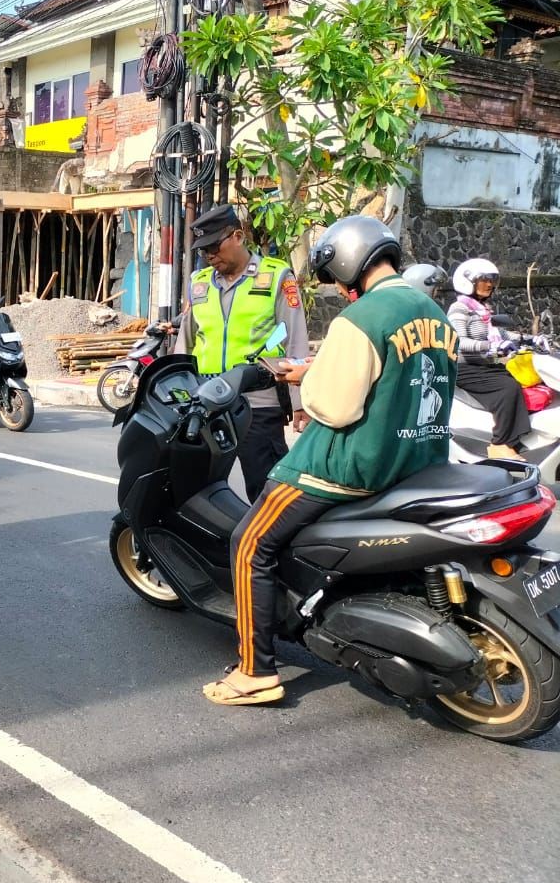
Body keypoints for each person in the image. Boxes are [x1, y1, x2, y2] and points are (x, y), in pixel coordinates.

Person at [204, 215, 457, 705]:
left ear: (347, 262)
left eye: (338, 280)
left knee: (250, 542)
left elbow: (336, 407)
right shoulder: (431, 311)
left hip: (352, 467)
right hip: (416, 461)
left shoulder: (362, 318)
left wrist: (304, 381)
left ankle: (255, 672)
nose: (340, 292)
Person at [174, 204, 311, 502]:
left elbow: (296, 340)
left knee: (267, 493)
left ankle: (269, 547)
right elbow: (185, 345)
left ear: (237, 236)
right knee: (196, 488)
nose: (209, 256)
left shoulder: (276, 276)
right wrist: (178, 394)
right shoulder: (199, 283)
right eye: (203, 250)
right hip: (206, 402)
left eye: (214, 246)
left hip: (257, 404)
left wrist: (300, 401)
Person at [446, 258, 530, 460]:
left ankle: (516, 439)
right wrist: (489, 347)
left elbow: (500, 333)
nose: (489, 284)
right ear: (467, 281)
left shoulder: (481, 310)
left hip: (481, 365)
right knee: (507, 388)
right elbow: (458, 341)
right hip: (463, 368)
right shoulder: (460, 308)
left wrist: (529, 339)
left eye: (491, 279)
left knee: (521, 378)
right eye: (483, 279)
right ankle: (500, 443)